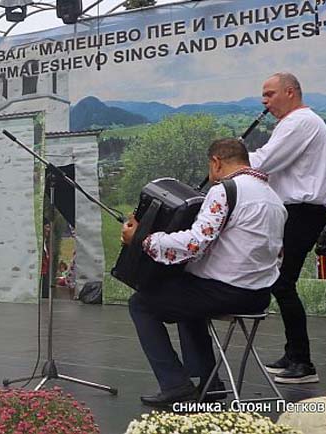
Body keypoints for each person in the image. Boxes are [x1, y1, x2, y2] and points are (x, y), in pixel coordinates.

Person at [121, 138, 286, 407]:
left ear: (216, 163)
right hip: (259, 296)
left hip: (226, 293)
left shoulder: (225, 191)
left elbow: (196, 243)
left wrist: (143, 238)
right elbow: (278, 254)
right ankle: (210, 384)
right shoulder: (273, 198)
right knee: (188, 293)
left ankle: (175, 385)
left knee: (141, 304)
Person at [249, 72, 326, 384]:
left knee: (282, 282)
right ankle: (293, 353)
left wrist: (233, 159)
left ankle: (303, 363)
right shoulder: (296, 122)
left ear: (290, 92)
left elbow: (264, 162)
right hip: (297, 212)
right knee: (281, 281)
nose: (264, 101)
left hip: (302, 212)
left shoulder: (299, 122)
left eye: (270, 93)